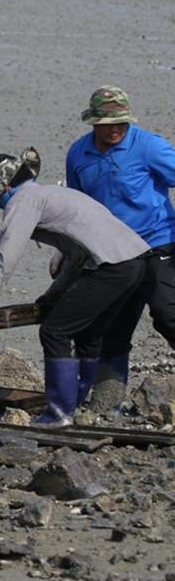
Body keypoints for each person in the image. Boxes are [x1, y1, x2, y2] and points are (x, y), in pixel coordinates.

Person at [0, 147, 147, 425]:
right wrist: (52, 295)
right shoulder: (52, 194)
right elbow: (76, 256)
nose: (0, 207)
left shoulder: (23, 202)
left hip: (110, 267)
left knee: (55, 331)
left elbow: (7, 253)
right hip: (135, 262)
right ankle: (81, 404)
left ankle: (59, 412)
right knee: (89, 333)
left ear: (5, 187)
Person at [65, 85, 175, 393]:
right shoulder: (78, 154)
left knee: (169, 314)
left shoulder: (149, 147)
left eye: (120, 123)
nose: (114, 129)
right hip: (112, 254)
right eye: (106, 124)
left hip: (157, 244)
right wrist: (67, 252)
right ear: (93, 123)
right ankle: (107, 401)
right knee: (108, 328)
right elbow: (76, 207)